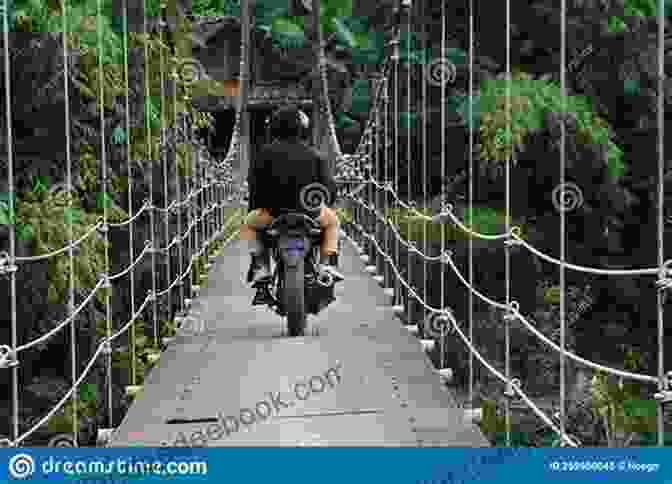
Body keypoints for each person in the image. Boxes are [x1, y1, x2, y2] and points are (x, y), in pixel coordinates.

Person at [240, 105, 344, 294]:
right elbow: (329, 190)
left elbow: (255, 190)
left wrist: (256, 207)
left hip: (273, 215)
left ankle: (260, 265)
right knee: (333, 222)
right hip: (309, 214)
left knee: (249, 224)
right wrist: (324, 202)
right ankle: (327, 263)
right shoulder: (316, 155)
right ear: (302, 129)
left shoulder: (263, 155)